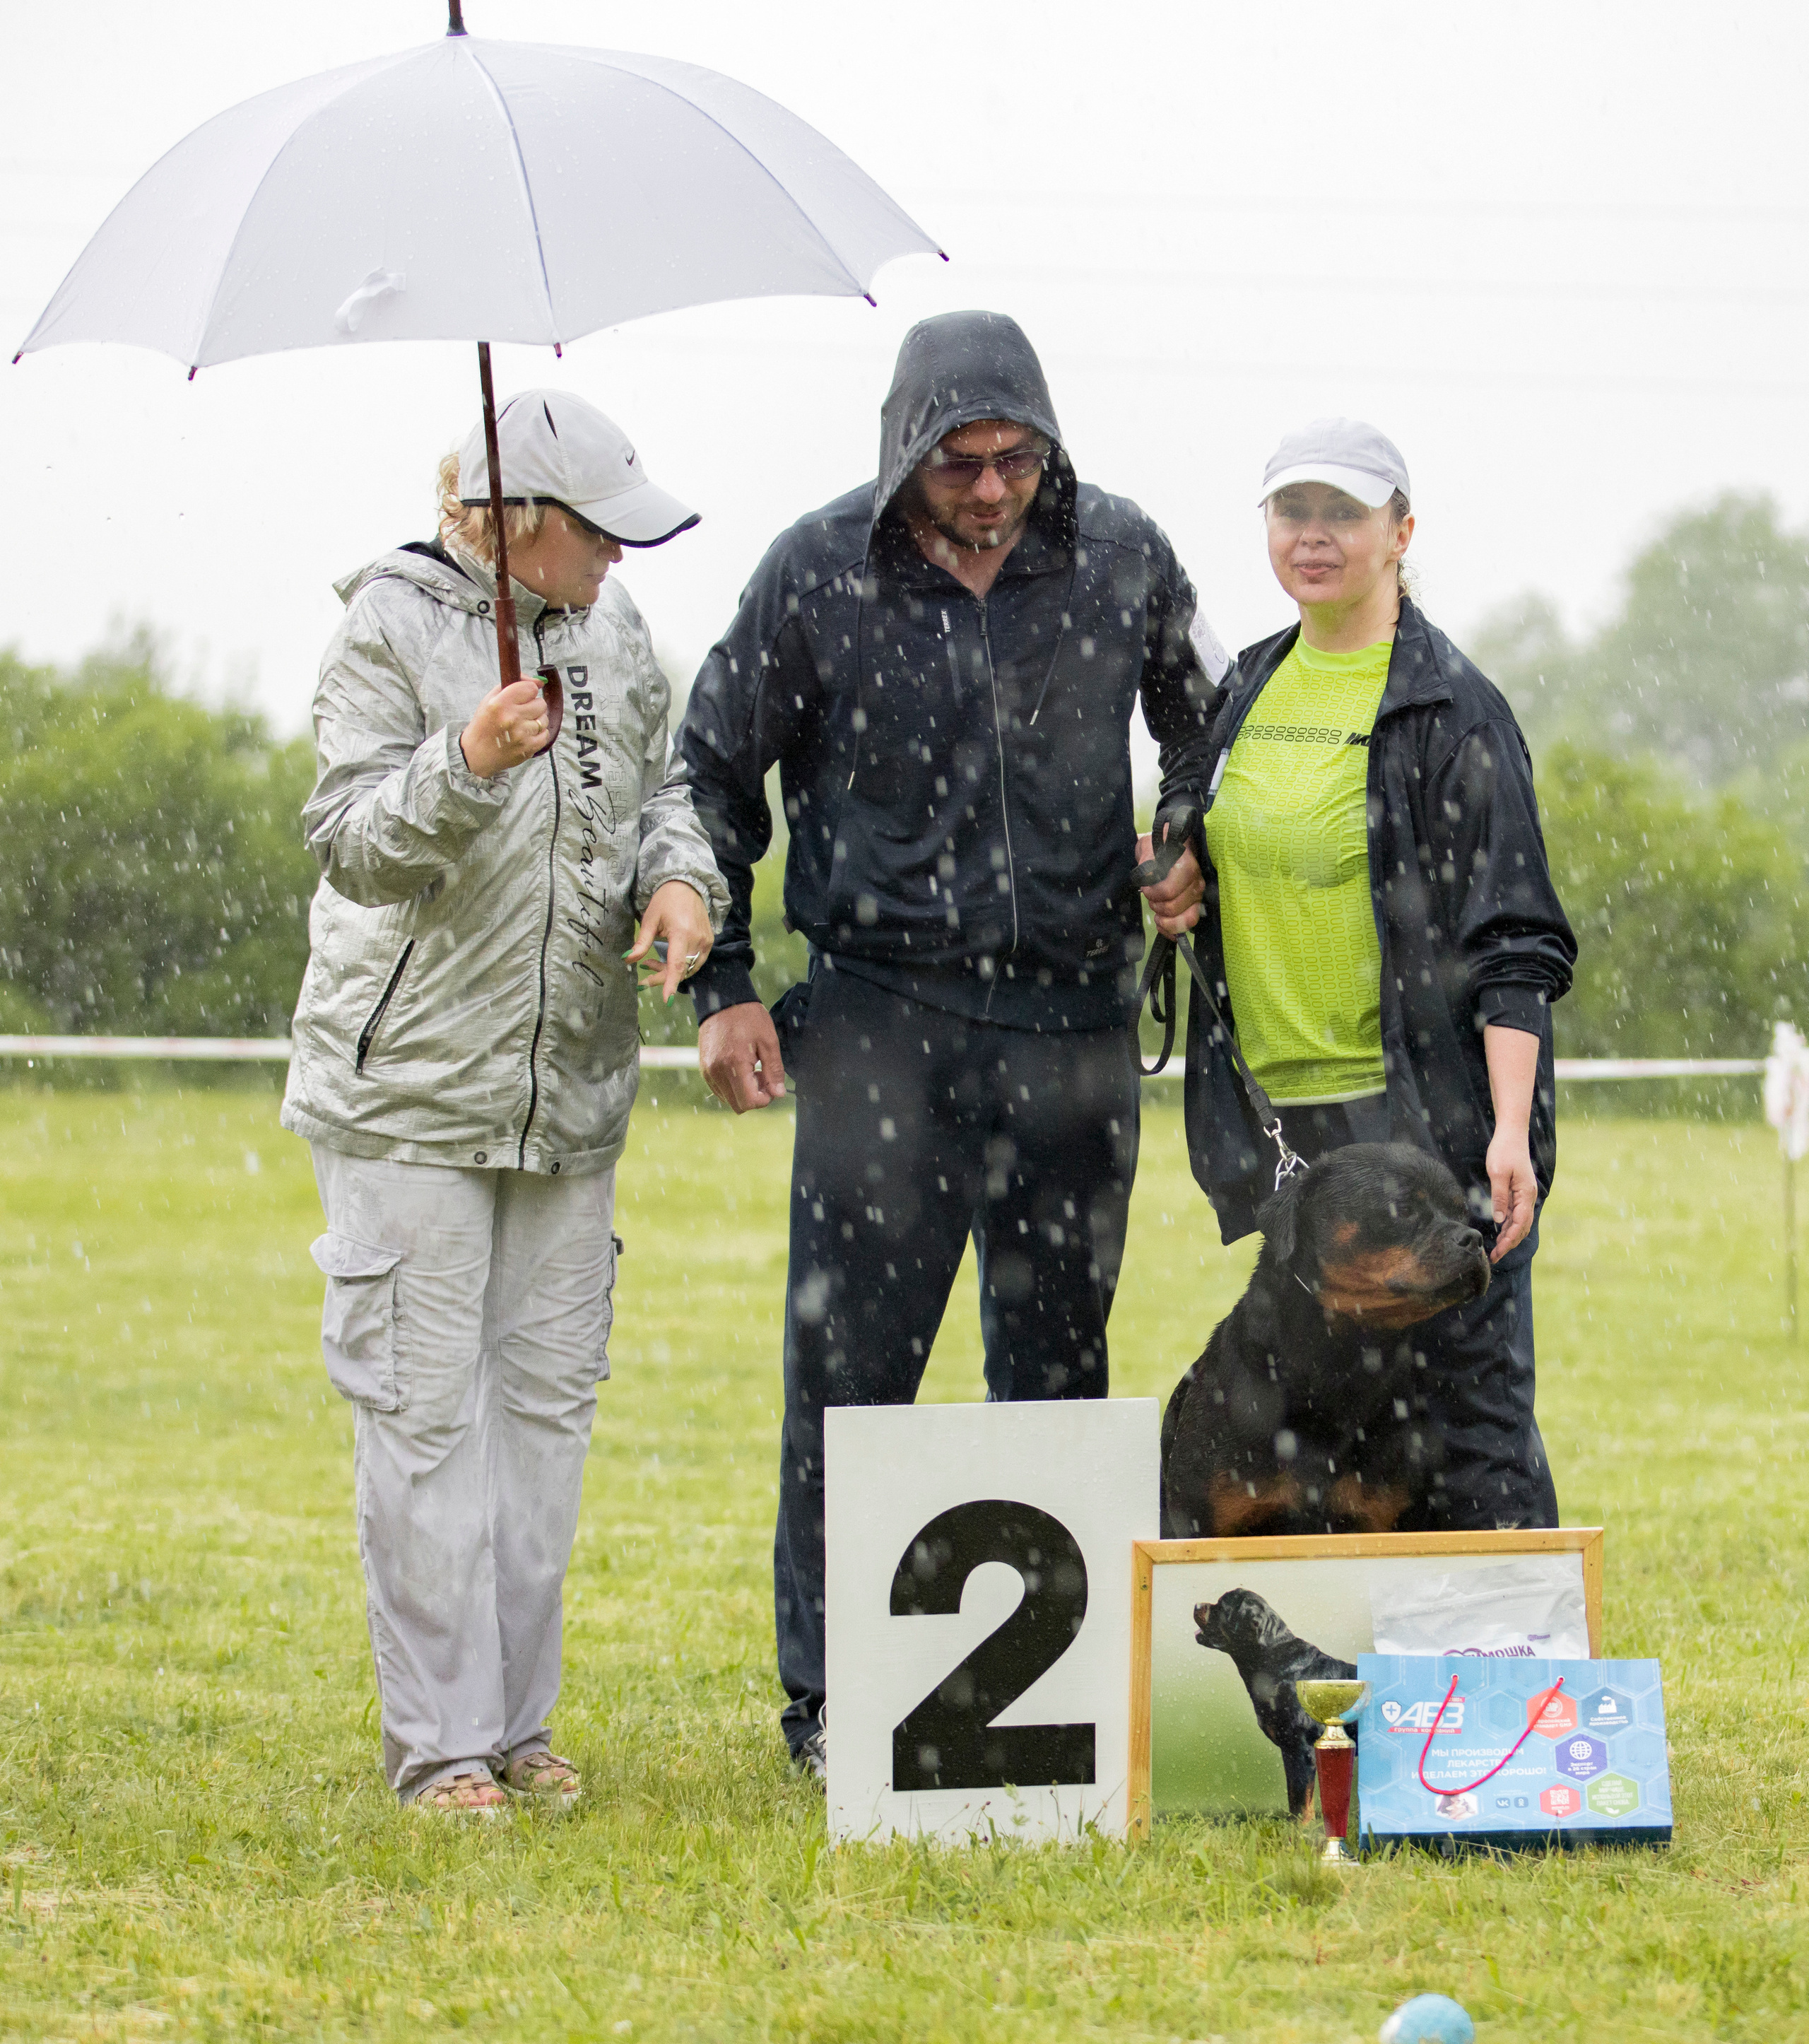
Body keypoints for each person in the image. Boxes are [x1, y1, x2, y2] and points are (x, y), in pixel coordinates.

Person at [676, 311, 1226, 1775]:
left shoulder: (1124, 555)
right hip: (879, 1017)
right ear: (903, 451)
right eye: (959, 464)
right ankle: (826, 1699)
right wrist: (722, 978)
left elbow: (1209, 726)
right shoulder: (812, 574)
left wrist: (1183, 837)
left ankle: (1044, 1700)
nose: (990, 491)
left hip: (1072, 1019)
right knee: (848, 1371)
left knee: (1053, 1361)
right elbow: (712, 770)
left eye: (1015, 459)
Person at [281, 389, 727, 1812]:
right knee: (423, 1421)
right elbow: (349, 843)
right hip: (407, 1094)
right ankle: (441, 1748)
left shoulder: (613, 631)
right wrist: (464, 764)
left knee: (544, 1419)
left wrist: (680, 879)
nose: (618, 560)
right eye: (600, 533)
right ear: (516, 518)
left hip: (574, 1093)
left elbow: (660, 796)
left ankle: (519, 1727)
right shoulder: (386, 625)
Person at [1143, 417, 1577, 1531]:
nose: (1316, 536)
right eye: (1294, 512)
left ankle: (1508, 1686)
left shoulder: (1453, 708)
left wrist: (1510, 1130)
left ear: (1402, 533)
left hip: (1427, 1123)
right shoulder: (1246, 685)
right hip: (1287, 1131)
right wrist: (1180, 853)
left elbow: (1514, 938)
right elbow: (1197, 801)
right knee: (1313, 1422)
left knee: (1467, 1424)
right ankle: (1333, 1691)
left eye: (1345, 513)